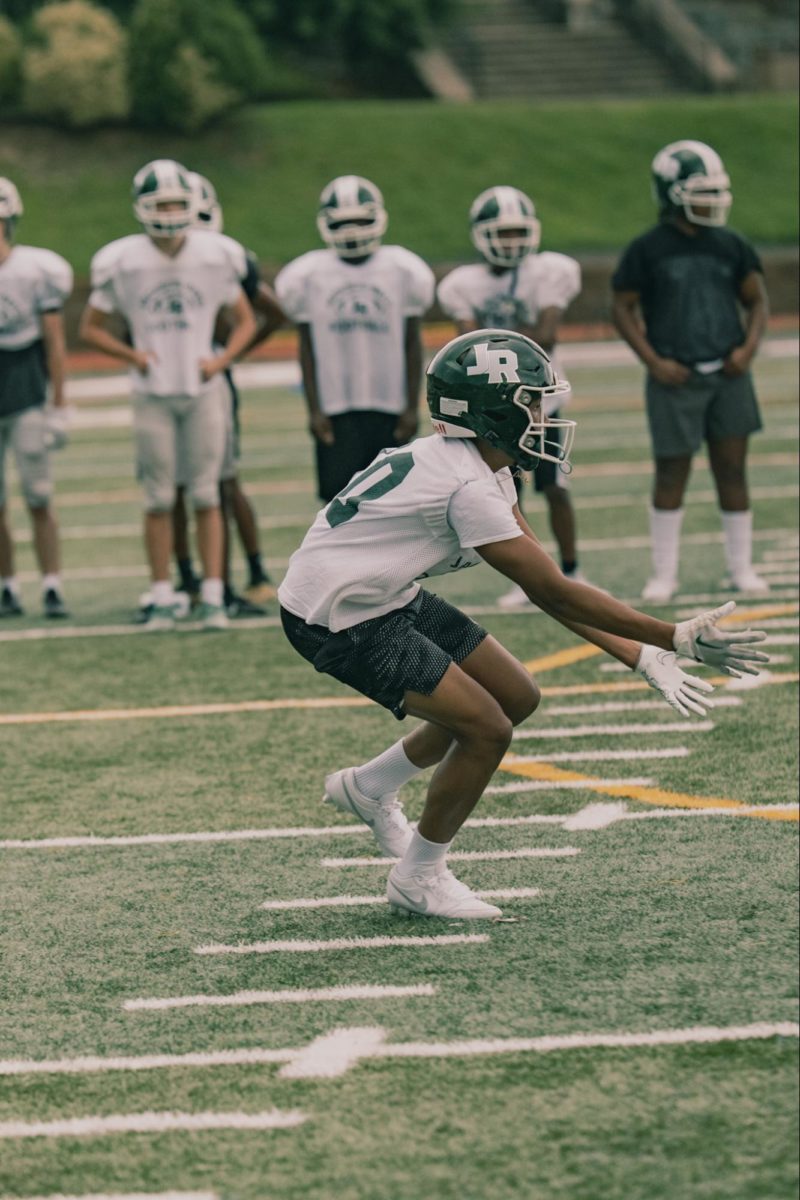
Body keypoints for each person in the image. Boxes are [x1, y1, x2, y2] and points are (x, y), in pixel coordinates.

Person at [278, 329, 768, 920]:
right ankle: (419, 876)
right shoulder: (468, 487)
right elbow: (553, 590)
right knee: (486, 729)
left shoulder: (483, 464)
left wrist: (639, 654)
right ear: (488, 411)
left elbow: (551, 588)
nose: (542, 414)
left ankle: (370, 785)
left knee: (515, 695)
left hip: (378, 594)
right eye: (529, 402)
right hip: (334, 617)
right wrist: (671, 635)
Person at [79, 158, 257, 632]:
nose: (170, 211)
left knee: (205, 493)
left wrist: (220, 360)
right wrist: (133, 355)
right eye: (161, 203)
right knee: (158, 498)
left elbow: (246, 320)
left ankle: (214, 595)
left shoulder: (216, 254)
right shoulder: (123, 261)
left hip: (201, 388)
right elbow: (90, 328)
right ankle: (162, 595)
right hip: (152, 391)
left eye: (177, 202)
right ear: (142, 207)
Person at [612, 139, 770, 603]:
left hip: (728, 373)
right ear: (672, 193)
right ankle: (665, 575)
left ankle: (741, 568)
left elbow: (757, 300)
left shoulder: (731, 244)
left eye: (714, 191)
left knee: (733, 470)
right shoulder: (648, 248)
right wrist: (653, 360)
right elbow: (621, 307)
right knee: (671, 472)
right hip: (674, 377)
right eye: (701, 191)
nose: (711, 201)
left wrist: (748, 349)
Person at [437, 186, 585, 608]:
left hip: (542, 404)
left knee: (555, 487)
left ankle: (573, 571)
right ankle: (532, 579)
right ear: (481, 235)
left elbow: (549, 337)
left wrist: (497, 346)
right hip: (496, 411)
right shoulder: (463, 284)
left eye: (518, 231)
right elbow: (466, 347)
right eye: (502, 233)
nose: (511, 242)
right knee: (509, 495)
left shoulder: (551, 271)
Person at [168, 171, 286, 619]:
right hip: (177, 380)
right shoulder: (151, 261)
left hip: (211, 379)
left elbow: (271, 311)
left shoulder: (226, 259)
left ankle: (246, 574)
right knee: (180, 485)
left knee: (222, 479)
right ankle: (192, 578)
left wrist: (232, 352)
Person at [275, 175, 434, 503]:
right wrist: (315, 410)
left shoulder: (403, 269)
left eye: (360, 220)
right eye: (344, 222)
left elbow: (411, 344)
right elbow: (307, 349)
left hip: (389, 404)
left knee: (395, 504)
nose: (352, 230)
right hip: (337, 406)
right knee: (339, 505)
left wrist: (409, 406)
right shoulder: (306, 275)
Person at [0, 176, 72, 620]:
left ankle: (52, 584)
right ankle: (7, 585)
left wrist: (59, 403)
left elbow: (55, 343)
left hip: (26, 391)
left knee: (39, 495)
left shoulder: (35, 270)